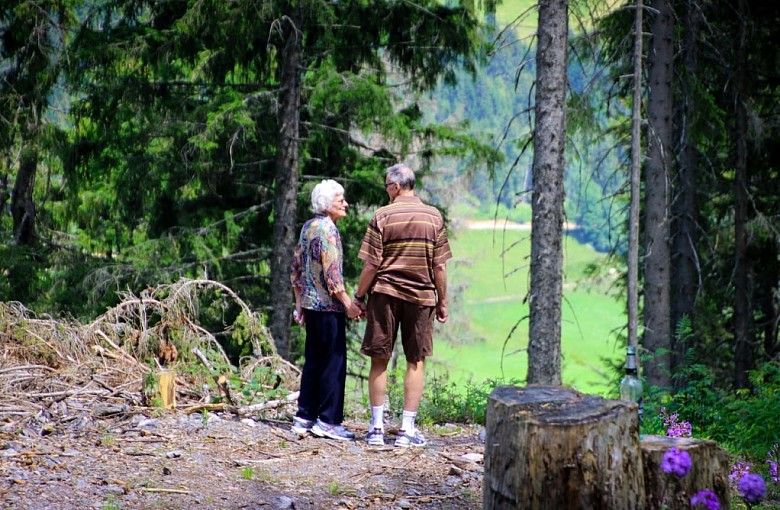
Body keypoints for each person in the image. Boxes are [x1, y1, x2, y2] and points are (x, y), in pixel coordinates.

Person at [353, 163, 451, 447]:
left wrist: (359, 297)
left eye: (387, 186)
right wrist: (442, 301)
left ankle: (376, 429)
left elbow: (372, 264)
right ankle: (407, 430)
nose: (386, 191)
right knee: (415, 361)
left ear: (396, 187)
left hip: (384, 294)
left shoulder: (382, 215)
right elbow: (440, 266)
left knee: (379, 360)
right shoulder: (433, 217)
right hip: (421, 298)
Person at [289, 179, 362, 441]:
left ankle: (304, 416)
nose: (345, 203)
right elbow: (333, 276)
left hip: (310, 305)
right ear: (327, 204)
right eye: (340, 199)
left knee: (314, 362)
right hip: (329, 307)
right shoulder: (328, 230)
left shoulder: (308, 227)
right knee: (334, 362)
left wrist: (299, 305)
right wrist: (349, 305)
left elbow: (295, 268)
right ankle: (328, 421)